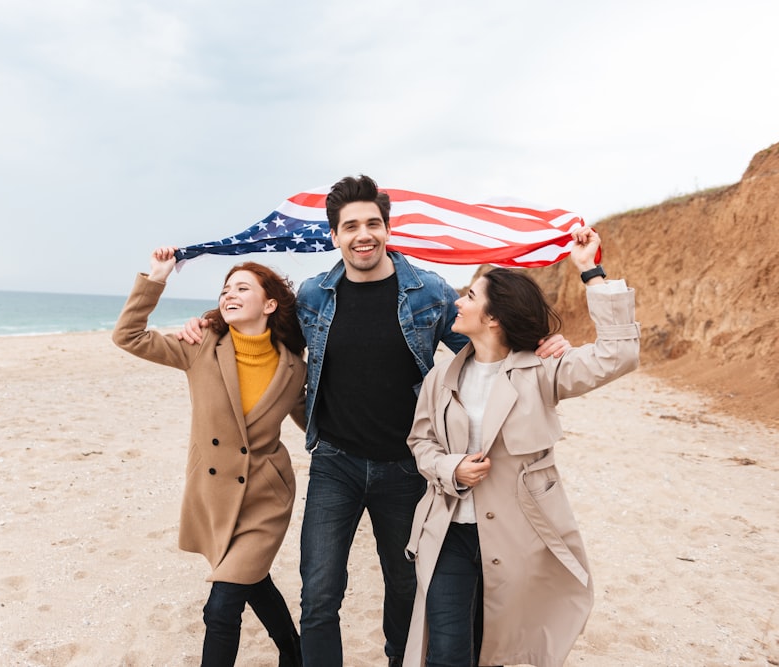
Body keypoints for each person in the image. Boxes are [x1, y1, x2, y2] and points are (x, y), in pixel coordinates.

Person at [179, 175, 569, 666]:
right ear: (335, 236)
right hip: (334, 464)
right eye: (350, 226)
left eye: (373, 223)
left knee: (405, 591)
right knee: (319, 593)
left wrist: (544, 347)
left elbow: (489, 341)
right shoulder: (315, 296)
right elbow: (264, 329)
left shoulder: (426, 291)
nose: (363, 234)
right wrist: (209, 320)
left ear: (387, 228)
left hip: (406, 467)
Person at [402, 227, 641, 667]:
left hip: (520, 537)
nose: (458, 300)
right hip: (448, 531)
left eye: (470, 295)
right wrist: (452, 468)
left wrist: (591, 271)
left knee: (498, 652)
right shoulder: (441, 377)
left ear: (494, 317)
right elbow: (421, 441)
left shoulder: (544, 371)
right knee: (447, 653)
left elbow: (619, 354)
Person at [113, 247, 307, 667]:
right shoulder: (201, 345)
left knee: (221, 608)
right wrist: (158, 277)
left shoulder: (294, 367)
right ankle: (295, 651)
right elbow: (127, 336)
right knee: (249, 582)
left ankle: (294, 652)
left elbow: (313, 422)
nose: (229, 295)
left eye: (242, 288)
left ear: (269, 304)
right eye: (225, 289)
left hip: (265, 500)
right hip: (215, 497)